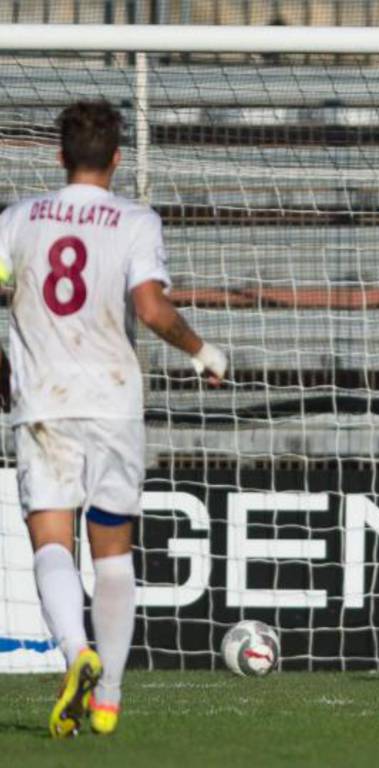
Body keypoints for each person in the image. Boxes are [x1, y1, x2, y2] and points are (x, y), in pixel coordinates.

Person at [0, 100, 227, 735]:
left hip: (42, 397)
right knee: (112, 552)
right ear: (118, 158)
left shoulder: (16, 220)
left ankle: (77, 654)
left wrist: (2, 372)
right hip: (112, 400)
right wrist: (202, 350)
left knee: (50, 539)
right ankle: (109, 700)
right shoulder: (134, 219)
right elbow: (151, 309)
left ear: (59, 155)